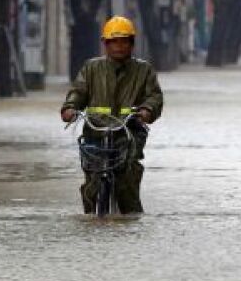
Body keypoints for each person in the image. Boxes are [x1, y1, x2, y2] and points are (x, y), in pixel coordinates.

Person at [60, 16, 164, 215]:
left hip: (129, 133)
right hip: (95, 131)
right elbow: (78, 92)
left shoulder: (144, 70)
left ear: (132, 44)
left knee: (128, 176)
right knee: (92, 182)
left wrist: (146, 111)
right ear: (105, 44)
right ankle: (92, 218)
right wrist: (70, 108)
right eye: (114, 41)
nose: (119, 46)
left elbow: (154, 97)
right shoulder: (92, 68)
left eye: (124, 41)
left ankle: (131, 219)